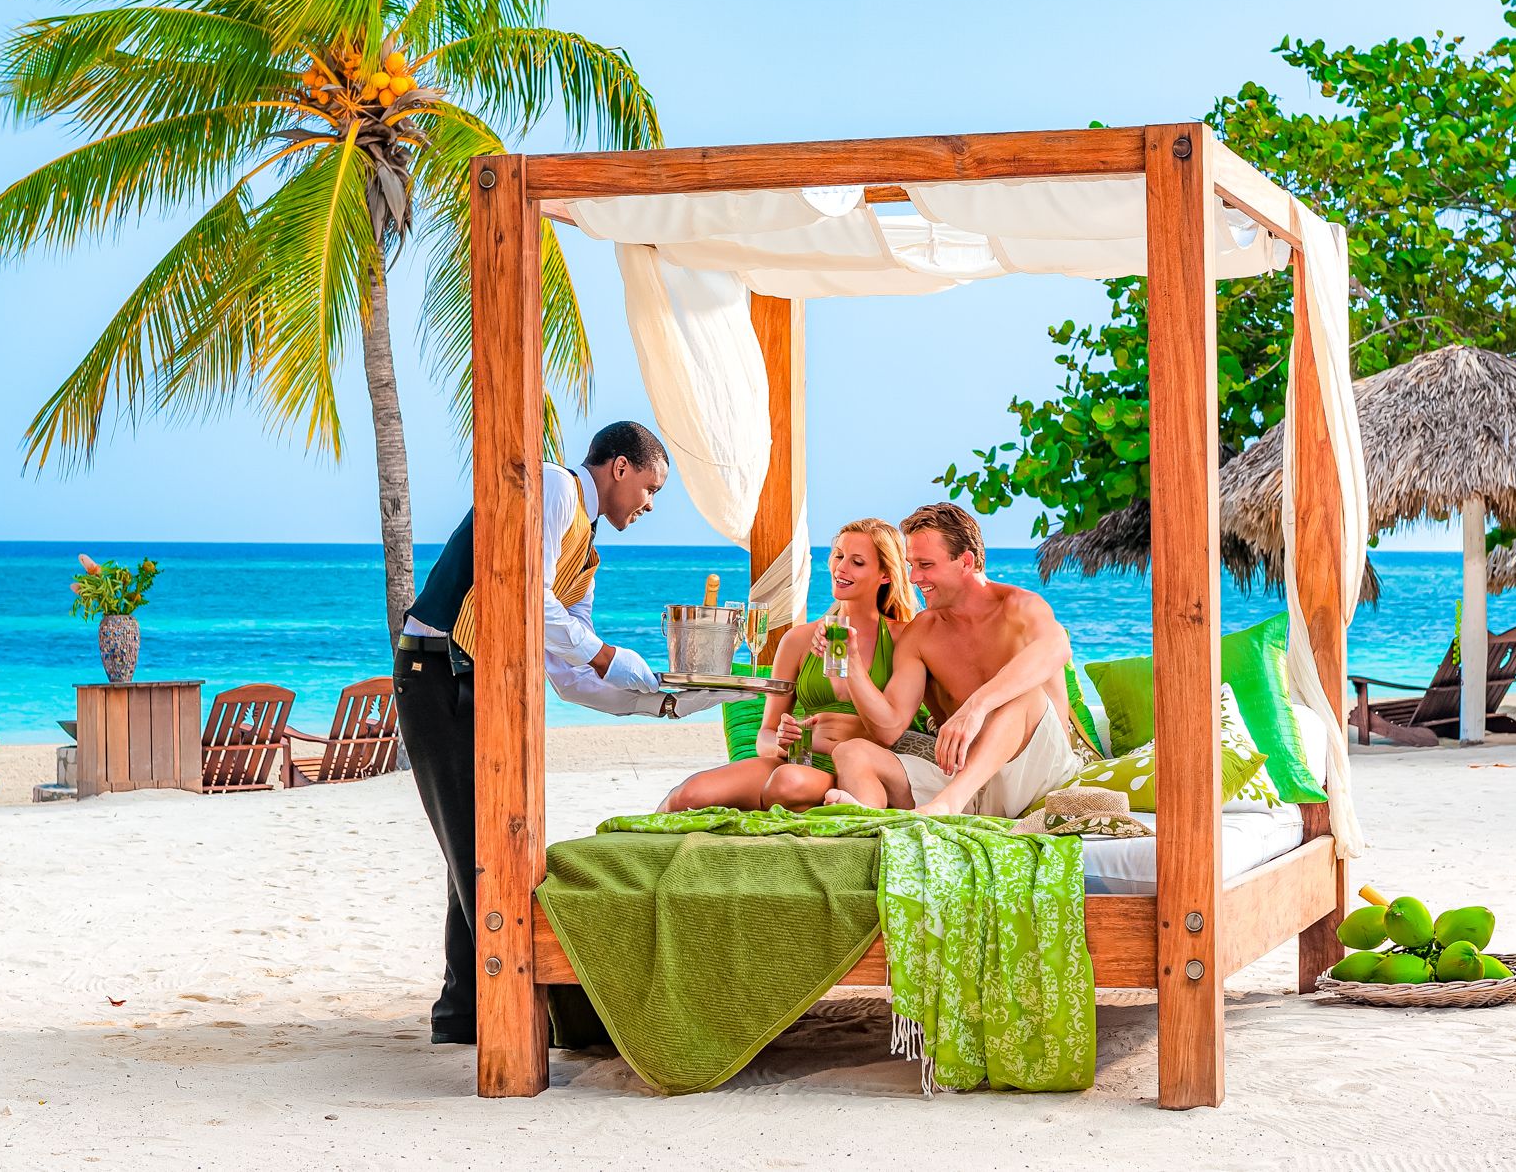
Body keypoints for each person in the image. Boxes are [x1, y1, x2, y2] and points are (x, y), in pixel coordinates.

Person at [394, 420, 730, 1046]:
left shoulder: (586, 547)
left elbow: (567, 674)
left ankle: (462, 1015)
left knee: (477, 847)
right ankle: (528, 1011)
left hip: (480, 680)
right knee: (480, 852)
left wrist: (663, 705)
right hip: (438, 671)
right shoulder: (552, 487)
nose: (650, 504)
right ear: (620, 468)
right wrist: (606, 654)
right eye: (652, 488)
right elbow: (530, 599)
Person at [820, 502, 1082, 817]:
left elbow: (1056, 648)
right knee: (852, 752)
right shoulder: (922, 633)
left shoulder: (1020, 607)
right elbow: (888, 729)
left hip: (1037, 775)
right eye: (911, 564)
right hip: (968, 781)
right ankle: (869, 820)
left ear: (965, 561)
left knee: (1023, 692)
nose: (914, 577)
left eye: (925, 564)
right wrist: (852, 666)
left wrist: (975, 706)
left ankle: (947, 804)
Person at [658, 518, 925, 813]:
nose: (841, 568)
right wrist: (781, 744)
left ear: (885, 574)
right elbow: (766, 734)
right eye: (838, 555)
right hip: (800, 760)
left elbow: (889, 731)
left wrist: (853, 664)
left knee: (786, 782)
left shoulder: (904, 638)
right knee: (686, 795)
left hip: (857, 771)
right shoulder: (798, 640)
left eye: (857, 562)